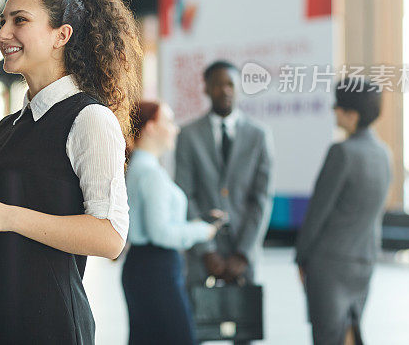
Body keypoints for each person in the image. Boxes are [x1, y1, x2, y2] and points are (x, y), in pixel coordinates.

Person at [0, 0, 142, 344]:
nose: (3, 34)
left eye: (20, 20)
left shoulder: (89, 118)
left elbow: (110, 237)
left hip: (51, 328)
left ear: (61, 35)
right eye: (2, 21)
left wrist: (7, 215)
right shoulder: (9, 125)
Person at [174, 60, 274, 344]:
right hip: (202, 254)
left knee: (243, 331)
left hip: (244, 253)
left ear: (238, 87)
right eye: (218, 84)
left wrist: (244, 253)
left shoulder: (259, 135)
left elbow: (261, 200)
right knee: (197, 329)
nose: (225, 90)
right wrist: (206, 248)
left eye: (230, 84)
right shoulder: (189, 135)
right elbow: (185, 195)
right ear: (206, 88)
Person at [295, 78, 392, 345]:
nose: (334, 111)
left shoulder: (342, 152)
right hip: (364, 261)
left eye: (338, 106)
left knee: (327, 337)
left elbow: (318, 212)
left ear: (352, 114)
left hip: (330, 264)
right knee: (351, 334)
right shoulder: (384, 154)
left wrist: (301, 256)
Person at [122, 101, 224, 345]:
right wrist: (203, 230)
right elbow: (160, 233)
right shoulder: (150, 174)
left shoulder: (137, 168)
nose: (175, 129)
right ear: (150, 128)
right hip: (157, 268)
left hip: (142, 266)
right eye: (168, 122)